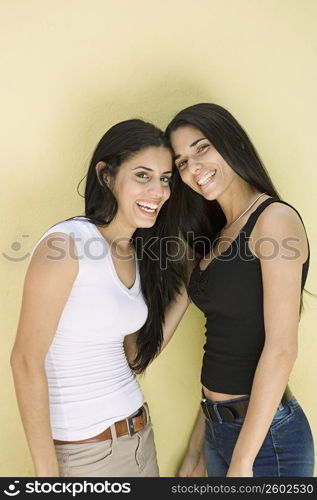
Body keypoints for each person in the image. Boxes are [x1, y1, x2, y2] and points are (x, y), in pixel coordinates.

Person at [10, 118, 188, 477]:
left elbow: (134, 358)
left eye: (165, 179)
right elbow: (25, 361)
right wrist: (48, 476)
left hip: (139, 439)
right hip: (85, 456)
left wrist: (185, 288)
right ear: (107, 175)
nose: (158, 191)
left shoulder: (135, 253)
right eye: (143, 175)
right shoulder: (67, 244)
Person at [165, 103, 315, 477]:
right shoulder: (215, 238)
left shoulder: (274, 221)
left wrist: (244, 461)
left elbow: (281, 349)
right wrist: (198, 449)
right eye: (182, 161)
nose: (194, 167)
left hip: (268, 443)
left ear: (231, 143)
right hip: (219, 431)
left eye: (202, 148)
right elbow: (222, 347)